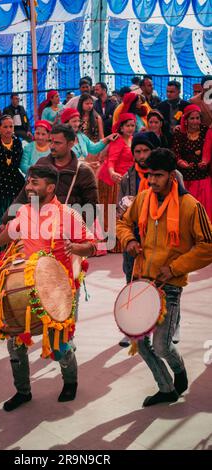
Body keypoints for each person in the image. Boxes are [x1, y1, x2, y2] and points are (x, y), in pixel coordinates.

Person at [0, 165, 97, 411]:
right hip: (29, 284)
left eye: (34, 183)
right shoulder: (25, 211)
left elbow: (92, 244)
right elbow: (10, 233)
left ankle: (70, 382)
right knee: (15, 344)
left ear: (50, 188)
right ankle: (23, 391)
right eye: (28, 182)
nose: (28, 187)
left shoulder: (68, 215)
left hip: (60, 286)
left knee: (60, 346)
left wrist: (77, 248)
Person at [117, 148, 212, 407]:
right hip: (142, 280)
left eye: (158, 176)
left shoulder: (190, 205)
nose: (152, 181)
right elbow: (123, 223)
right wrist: (131, 240)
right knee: (140, 341)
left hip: (170, 283)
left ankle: (178, 371)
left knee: (161, 346)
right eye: (149, 176)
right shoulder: (143, 198)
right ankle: (166, 387)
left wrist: (176, 267)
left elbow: (208, 245)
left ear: (172, 175)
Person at [117, 132, 184, 347]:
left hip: (165, 241)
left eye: (146, 150)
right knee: (133, 282)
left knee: (169, 287)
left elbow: (181, 208)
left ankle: (174, 324)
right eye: (137, 151)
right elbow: (121, 211)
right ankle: (134, 327)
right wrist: (128, 238)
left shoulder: (175, 177)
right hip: (136, 242)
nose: (142, 155)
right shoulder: (128, 177)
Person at [1, 124, 99, 228]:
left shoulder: (83, 171)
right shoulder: (41, 164)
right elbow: (24, 195)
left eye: (57, 143)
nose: (52, 146)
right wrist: (5, 221)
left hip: (68, 234)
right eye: (51, 142)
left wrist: (73, 230)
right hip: (39, 229)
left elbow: (92, 208)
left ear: (70, 144)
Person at [97, 113, 136, 248]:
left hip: (124, 180)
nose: (130, 128)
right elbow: (111, 161)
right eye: (128, 126)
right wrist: (112, 172)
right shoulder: (118, 140)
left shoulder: (133, 139)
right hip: (110, 180)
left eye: (132, 125)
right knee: (112, 211)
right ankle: (111, 243)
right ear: (121, 127)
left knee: (122, 211)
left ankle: (121, 241)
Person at [172, 104, 212, 220]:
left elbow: (208, 150)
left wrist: (205, 162)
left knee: (205, 213)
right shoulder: (180, 134)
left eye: (198, 118)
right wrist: (181, 162)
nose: (195, 121)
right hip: (186, 180)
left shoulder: (206, 131)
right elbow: (176, 153)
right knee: (188, 214)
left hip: (203, 179)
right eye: (192, 118)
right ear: (186, 120)